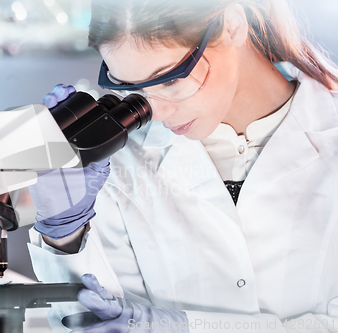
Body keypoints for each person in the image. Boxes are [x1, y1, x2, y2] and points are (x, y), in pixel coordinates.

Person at [27, 0, 338, 332]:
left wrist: (178, 327)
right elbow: (89, 322)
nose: (157, 114)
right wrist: (66, 236)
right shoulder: (115, 167)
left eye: (170, 81)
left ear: (232, 25)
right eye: (133, 90)